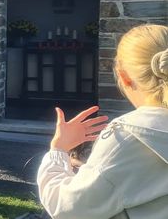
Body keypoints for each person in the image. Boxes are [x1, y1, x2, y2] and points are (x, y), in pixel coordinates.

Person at [38, 24, 168, 218]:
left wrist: (58, 150)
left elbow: (68, 208)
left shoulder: (128, 137)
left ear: (124, 77)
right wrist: (89, 170)